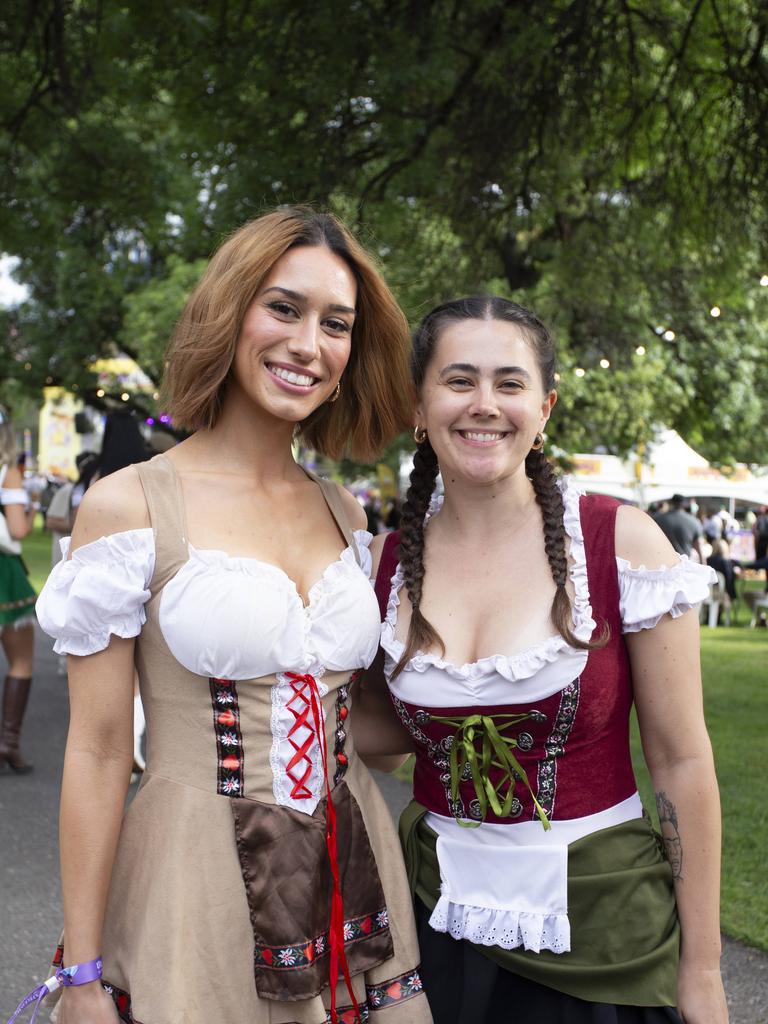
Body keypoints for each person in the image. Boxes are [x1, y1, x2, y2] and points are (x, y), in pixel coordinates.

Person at [32, 207, 432, 1024]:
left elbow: (356, 724)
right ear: (231, 310)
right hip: (197, 882)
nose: (308, 345)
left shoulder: (344, 513)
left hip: (351, 877)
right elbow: (101, 748)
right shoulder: (131, 505)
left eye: (336, 324)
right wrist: (81, 973)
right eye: (283, 308)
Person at [355, 297, 727, 1022]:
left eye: (510, 383)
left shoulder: (619, 545)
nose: (484, 405)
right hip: (434, 922)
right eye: (459, 381)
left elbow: (682, 760)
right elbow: (388, 741)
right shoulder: (386, 565)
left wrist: (705, 968)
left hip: (601, 930)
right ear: (418, 406)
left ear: (545, 406)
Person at [0, 411, 39, 773]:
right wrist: (33, 509)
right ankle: (7, 744)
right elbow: (18, 530)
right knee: (22, 662)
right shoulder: (7, 471)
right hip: (4, 574)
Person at [654, 494, 707, 563]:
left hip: (665, 564)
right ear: (684, 504)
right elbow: (699, 548)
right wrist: (703, 565)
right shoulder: (694, 521)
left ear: (671, 503)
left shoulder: (659, 519)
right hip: (685, 564)